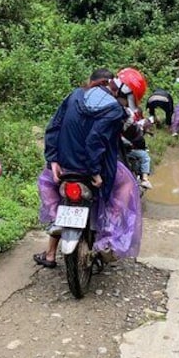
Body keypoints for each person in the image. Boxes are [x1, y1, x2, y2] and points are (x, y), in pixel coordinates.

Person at [34, 67, 145, 268]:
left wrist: (52, 159)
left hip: (66, 166)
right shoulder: (115, 110)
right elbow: (98, 140)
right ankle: (110, 238)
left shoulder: (74, 96)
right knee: (126, 186)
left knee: (50, 183)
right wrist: (95, 171)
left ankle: (52, 235)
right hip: (96, 169)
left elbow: (53, 126)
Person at [119, 97, 153, 190]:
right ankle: (145, 179)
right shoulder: (130, 126)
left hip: (117, 152)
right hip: (124, 151)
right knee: (145, 156)